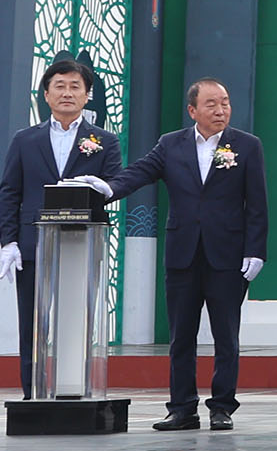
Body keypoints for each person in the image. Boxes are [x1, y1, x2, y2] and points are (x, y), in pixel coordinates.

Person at [111, 78, 268, 430]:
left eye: (225, 103)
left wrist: (256, 251)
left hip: (227, 256)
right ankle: (181, 408)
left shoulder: (246, 146)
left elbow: (257, 203)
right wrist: (108, 188)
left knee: (226, 336)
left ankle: (222, 407)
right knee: (181, 335)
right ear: (193, 110)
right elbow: (140, 173)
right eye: (211, 104)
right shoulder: (171, 145)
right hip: (182, 254)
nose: (220, 110)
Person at [0, 54, 127, 398]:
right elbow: (10, 191)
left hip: (82, 243)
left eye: (75, 87)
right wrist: (9, 242)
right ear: (47, 95)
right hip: (34, 242)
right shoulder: (25, 139)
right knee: (33, 323)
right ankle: (31, 393)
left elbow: (114, 185)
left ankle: (73, 388)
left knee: (75, 319)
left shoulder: (104, 141)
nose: (67, 93)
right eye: (59, 87)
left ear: (87, 95)